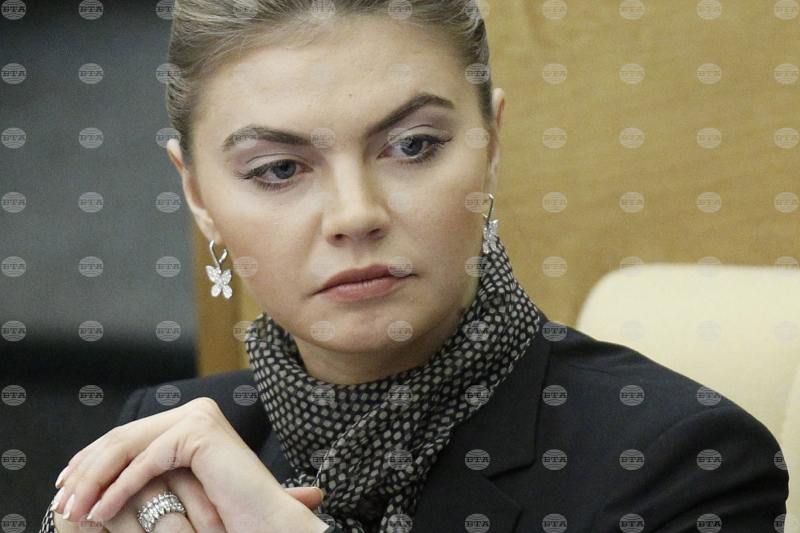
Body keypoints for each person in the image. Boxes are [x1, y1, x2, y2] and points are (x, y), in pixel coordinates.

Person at [41, 1, 789, 532]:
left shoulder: (680, 459)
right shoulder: (163, 437)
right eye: (278, 169)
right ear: (200, 197)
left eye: (412, 147)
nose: (354, 214)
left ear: (491, 145)